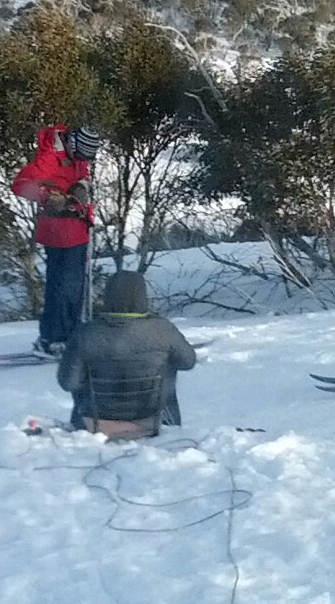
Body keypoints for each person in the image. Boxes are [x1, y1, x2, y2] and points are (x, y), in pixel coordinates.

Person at [56, 270, 196, 437]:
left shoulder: (85, 333)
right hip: (152, 421)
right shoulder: (162, 330)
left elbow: (68, 383)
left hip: (94, 424)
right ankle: (167, 423)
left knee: (80, 370)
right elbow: (188, 362)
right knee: (168, 363)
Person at [11, 123, 100, 357]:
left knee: (75, 287)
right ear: (72, 145)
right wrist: (47, 196)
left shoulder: (77, 154)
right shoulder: (48, 158)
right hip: (57, 232)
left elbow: (83, 174)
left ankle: (70, 335)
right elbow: (20, 185)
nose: (83, 160)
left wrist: (82, 185)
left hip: (78, 228)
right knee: (60, 288)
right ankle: (52, 338)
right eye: (80, 155)